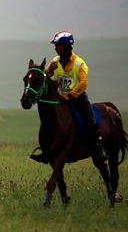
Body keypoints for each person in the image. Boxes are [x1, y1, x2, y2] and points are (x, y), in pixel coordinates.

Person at [44, 31, 108, 161]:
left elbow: (84, 82)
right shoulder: (54, 62)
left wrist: (71, 95)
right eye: (55, 46)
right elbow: (45, 76)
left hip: (78, 98)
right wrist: (50, 69)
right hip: (60, 99)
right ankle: (45, 149)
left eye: (58, 46)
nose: (55, 49)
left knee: (90, 120)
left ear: (66, 47)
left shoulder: (80, 64)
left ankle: (98, 147)